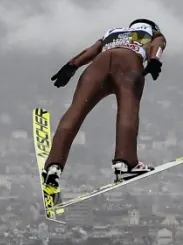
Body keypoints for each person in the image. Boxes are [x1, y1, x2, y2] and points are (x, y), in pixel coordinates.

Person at [41, 18, 166, 198]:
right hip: (128, 64)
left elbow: (91, 50)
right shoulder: (152, 33)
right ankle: (125, 163)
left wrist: (72, 65)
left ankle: (53, 167)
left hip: (98, 65)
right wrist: (154, 60)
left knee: (76, 110)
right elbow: (157, 45)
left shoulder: (112, 32)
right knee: (127, 109)